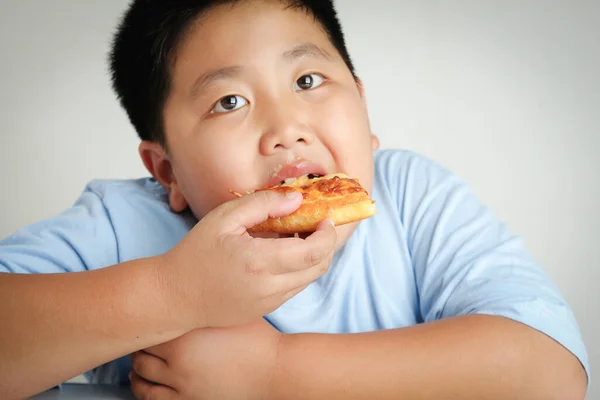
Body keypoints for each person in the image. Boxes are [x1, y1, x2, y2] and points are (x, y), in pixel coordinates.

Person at [0, 1, 589, 399]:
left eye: (308, 82)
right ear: (166, 171)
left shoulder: (408, 196)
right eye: (229, 102)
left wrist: (273, 372)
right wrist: (171, 292)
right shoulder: (124, 224)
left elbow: (551, 370)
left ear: (362, 109)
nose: (286, 128)